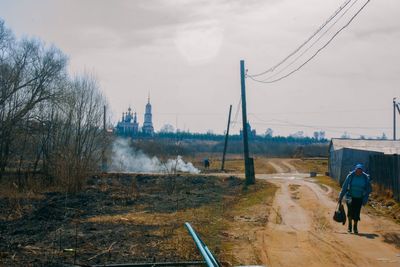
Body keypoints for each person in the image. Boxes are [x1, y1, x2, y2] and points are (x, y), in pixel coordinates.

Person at [338, 163, 372, 234]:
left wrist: (365, 194)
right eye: (357, 170)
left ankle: (355, 227)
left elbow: (369, 188)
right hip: (350, 197)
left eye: (360, 170)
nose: (359, 172)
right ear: (355, 169)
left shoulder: (365, 177)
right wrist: (340, 197)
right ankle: (349, 226)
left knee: (357, 212)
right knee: (350, 211)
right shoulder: (350, 176)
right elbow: (344, 186)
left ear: (362, 171)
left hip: (359, 198)